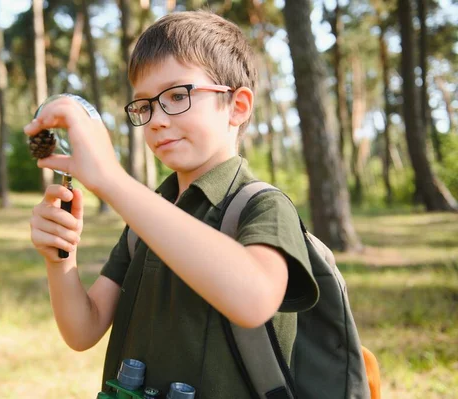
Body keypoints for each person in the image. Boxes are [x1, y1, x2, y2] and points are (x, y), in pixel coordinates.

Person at [24, 10, 318, 397]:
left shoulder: (260, 206)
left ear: (238, 106)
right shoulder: (147, 217)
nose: (156, 120)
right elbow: (83, 329)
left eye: (178, 95)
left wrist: (112, 181)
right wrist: (59, 258)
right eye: (144, 106)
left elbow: (254, 299)